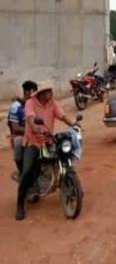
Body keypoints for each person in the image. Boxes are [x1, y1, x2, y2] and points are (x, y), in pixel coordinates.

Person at [16, 81, 77, 221]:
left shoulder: (52, 103)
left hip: (48, 140)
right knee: (27, 171)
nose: (50, 93)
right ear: (41, 93)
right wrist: (36, 128)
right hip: (33, 141)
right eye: (47, 91)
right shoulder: (30, 103)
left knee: (64, 155)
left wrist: (74, 124)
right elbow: (31, 120)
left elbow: (62, 116)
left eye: (50, 91)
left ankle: (69, 184)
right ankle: (20, 203)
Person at [8, 81, 38, 176]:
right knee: (18, 142)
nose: (35, 95)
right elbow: (15, 127)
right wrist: (31, 130)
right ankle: (22, 172)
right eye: (34, 92)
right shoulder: (16, 107)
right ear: (27, 92)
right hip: (19, 135)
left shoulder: (34, 105)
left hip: (33, 134)